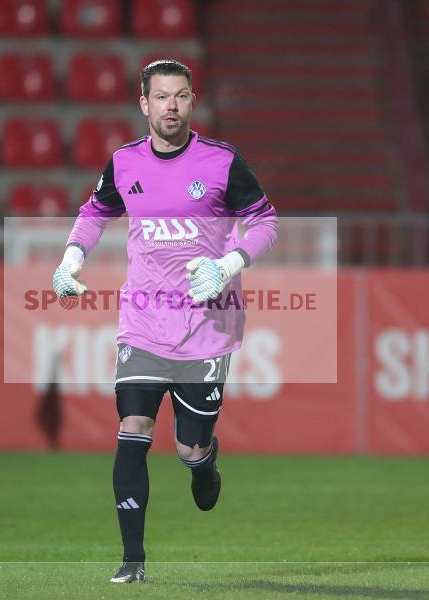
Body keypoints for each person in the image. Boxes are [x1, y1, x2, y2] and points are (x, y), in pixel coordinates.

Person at [52, 59, 278, 584]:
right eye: (161, 97)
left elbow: (265, 222)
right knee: (133, 427)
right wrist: (70, 259)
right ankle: (133, 561)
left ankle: (204, 462)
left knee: (188, 446)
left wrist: (229, 264)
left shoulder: (222, 163)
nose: (170, 106)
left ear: (192, 101)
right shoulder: (125, 163)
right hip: (143, 322)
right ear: (144, 104)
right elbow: (94, 213)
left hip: (206, 326)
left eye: (179, 96)